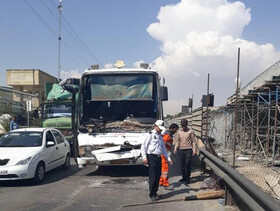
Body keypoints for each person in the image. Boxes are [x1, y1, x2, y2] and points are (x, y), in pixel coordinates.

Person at [141, 120, 173, 202]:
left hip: (159, 157)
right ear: (155, 126)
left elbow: (163, 150)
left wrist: (169, 159)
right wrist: (144, 157)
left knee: (158, 176)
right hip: (151, 157)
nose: (161, 130)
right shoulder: (150, 135)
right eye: (160, 128)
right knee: (153, 176)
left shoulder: (160, 136)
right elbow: (144, 146)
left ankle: (155, 192)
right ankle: (152, 194)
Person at [173, 119, 196, 185]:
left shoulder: (191, 132)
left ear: (187, 125)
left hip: (188, 150)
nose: (184, 127)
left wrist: (194, 150)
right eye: (182, 125)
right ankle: (184, 177)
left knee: (187, 164)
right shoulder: (179, 132)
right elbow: (177, 141)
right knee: (182, 165)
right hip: (181, 150)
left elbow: (193, 141)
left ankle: (188, 178)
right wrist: (175, 148)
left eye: (185, 125)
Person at [159, 123, 179, 190]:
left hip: (164, 153)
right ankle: (165, 184)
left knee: (163, 170)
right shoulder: (167, 135)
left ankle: (161, 182)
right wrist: (167, 155)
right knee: (165, 169)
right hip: (163, 154)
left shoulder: (168, 135)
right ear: (172, 128)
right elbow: (163, 145)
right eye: (175, 130)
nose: (175, 131)